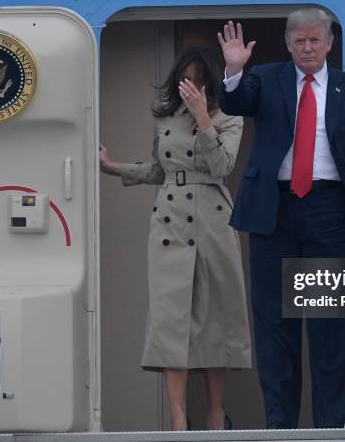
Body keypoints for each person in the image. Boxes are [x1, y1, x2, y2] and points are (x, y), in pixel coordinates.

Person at [217, 9, 345, 429]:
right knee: (275, 327)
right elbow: (236, 102)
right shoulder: (265, 78)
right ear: (287, 43)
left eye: (315, 41)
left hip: (329, 211)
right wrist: (234, 71)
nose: (308, 48)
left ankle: (331, 427)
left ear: (330, 43)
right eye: (300, 41)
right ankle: (280, 426)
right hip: (273, 211)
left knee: (329, 328)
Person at [100, 47, 251, 431]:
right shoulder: (164, 116)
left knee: (215, 318)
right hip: (169, 223)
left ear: (210, 83)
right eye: (185, 79)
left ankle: (216, 414)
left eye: (198, 80)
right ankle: (178, 420)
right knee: (170, 320)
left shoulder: (229, 115)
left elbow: (223, 166)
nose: (191, 87)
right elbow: (159, 168)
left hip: (213, 220)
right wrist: (114, 167)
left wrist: (203, 117)